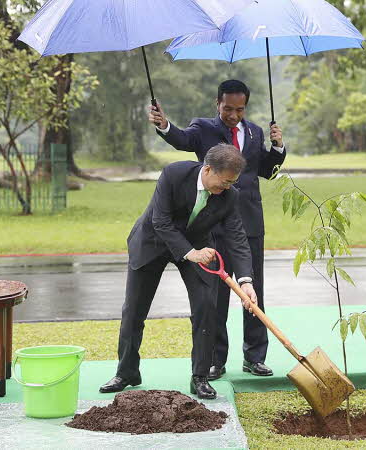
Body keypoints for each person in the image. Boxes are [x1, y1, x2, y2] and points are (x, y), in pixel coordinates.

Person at [149, 79, 286, 380]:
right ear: (217, 103)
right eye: (228, 109)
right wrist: (164, 124)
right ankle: (215, 359)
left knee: (252, 290)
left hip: (250, 223)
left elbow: (267, 171)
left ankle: (255, 356)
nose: (233, 115)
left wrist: (277, 147)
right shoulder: (203, 129)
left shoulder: (254, 132)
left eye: (239, 109)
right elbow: (181, 140)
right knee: (217, 294)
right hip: (214, 224)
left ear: (245, 107)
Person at [99, 144, 258, 400]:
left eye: (232, 183)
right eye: (225, 181)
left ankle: (200, 376)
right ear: (208, 169)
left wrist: (246, 281)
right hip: (152, 242)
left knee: (207, 306)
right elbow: (160, 221)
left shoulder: (230, 195)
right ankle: (127, 372)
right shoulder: (174, 174)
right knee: (134, 310)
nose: (227, 187)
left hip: (197, 246)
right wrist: (190, 253)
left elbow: (237, 237)